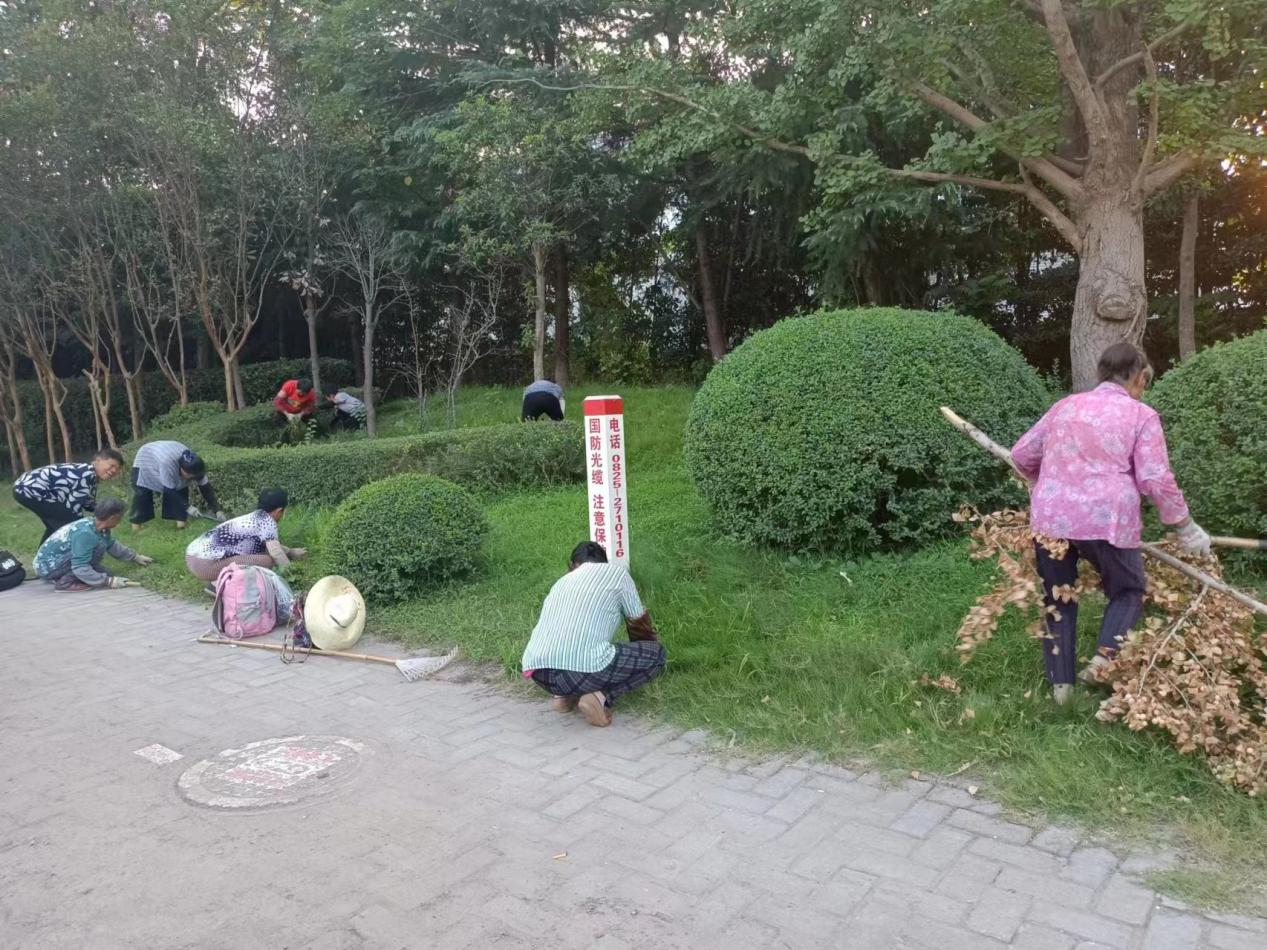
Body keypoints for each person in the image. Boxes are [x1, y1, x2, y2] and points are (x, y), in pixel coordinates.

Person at [1011, 342, 1211, 705]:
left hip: (1051, 518)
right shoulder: (1140, 415)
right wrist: (1186, 527)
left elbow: (1021, 454)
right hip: (1107, 519)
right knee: (1128, 591)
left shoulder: (1064, 407)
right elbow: (1155, 477)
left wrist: (1047, 483)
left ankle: (1061, 690)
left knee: (1058, 598)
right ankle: (1103, 660)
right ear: (1137, 376)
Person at [521, 541, 665, 727]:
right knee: (657, 655)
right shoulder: (617, 574)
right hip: (581, 670)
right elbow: (638, 622)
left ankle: (563, 697)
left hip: (539, 672)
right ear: (604, 562)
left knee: (585, 655)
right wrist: (645, 649)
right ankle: (599, 697)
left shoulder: (561, 582)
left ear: (573, 565)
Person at [185, 488, 307, 589]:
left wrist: (291, 552)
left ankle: (218, 581)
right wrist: (292, 575)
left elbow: (269, 546)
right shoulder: (268, 522)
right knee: (267, 561)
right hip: (205, 566)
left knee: (260, 554)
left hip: (193, 556)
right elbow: (275, 552)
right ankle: (220, 586)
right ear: (279, 511)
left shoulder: (254, 517)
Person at [34, 497, 154, 592]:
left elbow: (111, 545)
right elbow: (80, 566)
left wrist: (134, 557)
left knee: (107, 573)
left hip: (60, 562)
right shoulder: (85, 534)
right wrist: (108, 582)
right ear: (113, 518)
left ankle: (74, 577)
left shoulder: (98, 527)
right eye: (120, 517)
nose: (120, 521)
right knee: (96, 562)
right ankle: (64, 583)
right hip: (48, 567)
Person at [12, 448, 125, 542]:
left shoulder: (86, 473)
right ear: (98, 461)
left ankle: (44, 557)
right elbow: (74, 508)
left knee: (58, 525)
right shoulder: (87, 474)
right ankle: (52, 557)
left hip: (26, 489)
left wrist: (105, 512)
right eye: (111, 465)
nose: (113, 470)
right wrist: (88, 526)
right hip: (30, 489)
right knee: (68, 524)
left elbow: (85, 501)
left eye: (117, 469)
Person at [130, 441, 224, 530]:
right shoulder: (167, 463)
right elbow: (169, 491)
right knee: (142, 494)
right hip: (145, 458)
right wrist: (188, 508)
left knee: (181, 488)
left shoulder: (197, 467)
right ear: (181, 468)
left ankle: (181, 527)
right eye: (189, 476)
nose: (191, 479)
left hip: (166, 453)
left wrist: (217, 510)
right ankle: (136, 528)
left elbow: (206, 489)